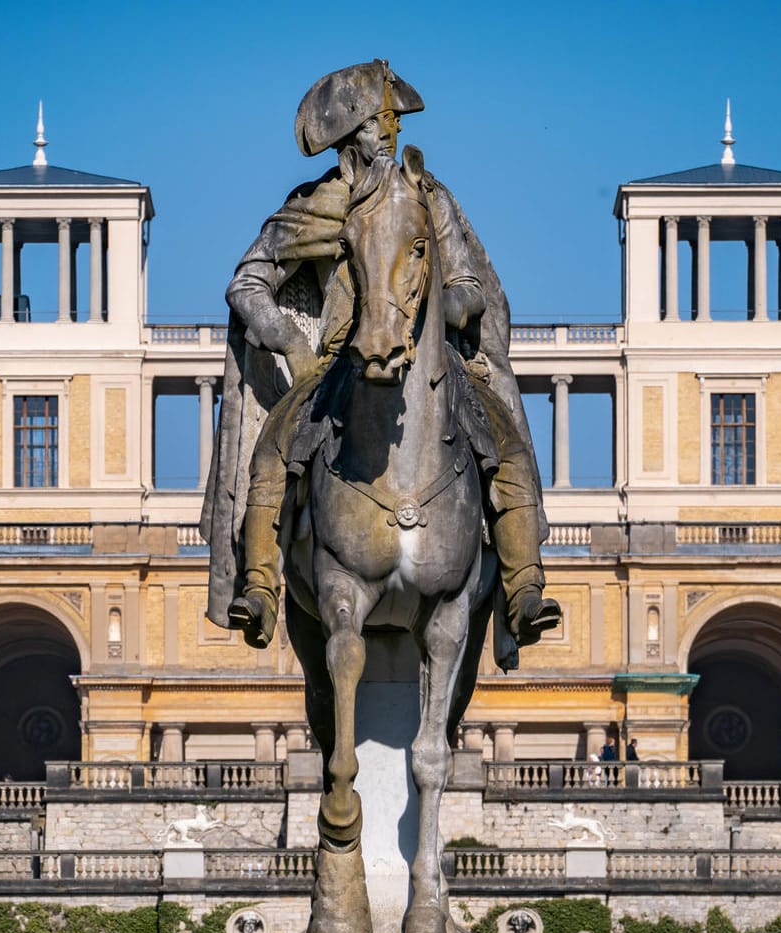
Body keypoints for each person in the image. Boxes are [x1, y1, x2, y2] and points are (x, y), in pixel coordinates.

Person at [205, 59, 559, 662]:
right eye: (377, 121)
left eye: (393, 120)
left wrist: (437, 309)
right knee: (272, 452)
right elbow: (247, 285)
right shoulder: (317, 206)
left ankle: (523, 583)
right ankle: (261, 583)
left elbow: (472, 284)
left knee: (509, 446)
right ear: (349, 137)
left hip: (426, 356)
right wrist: (290, 343)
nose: (389, 132)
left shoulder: (429, 198)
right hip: (339, 363)